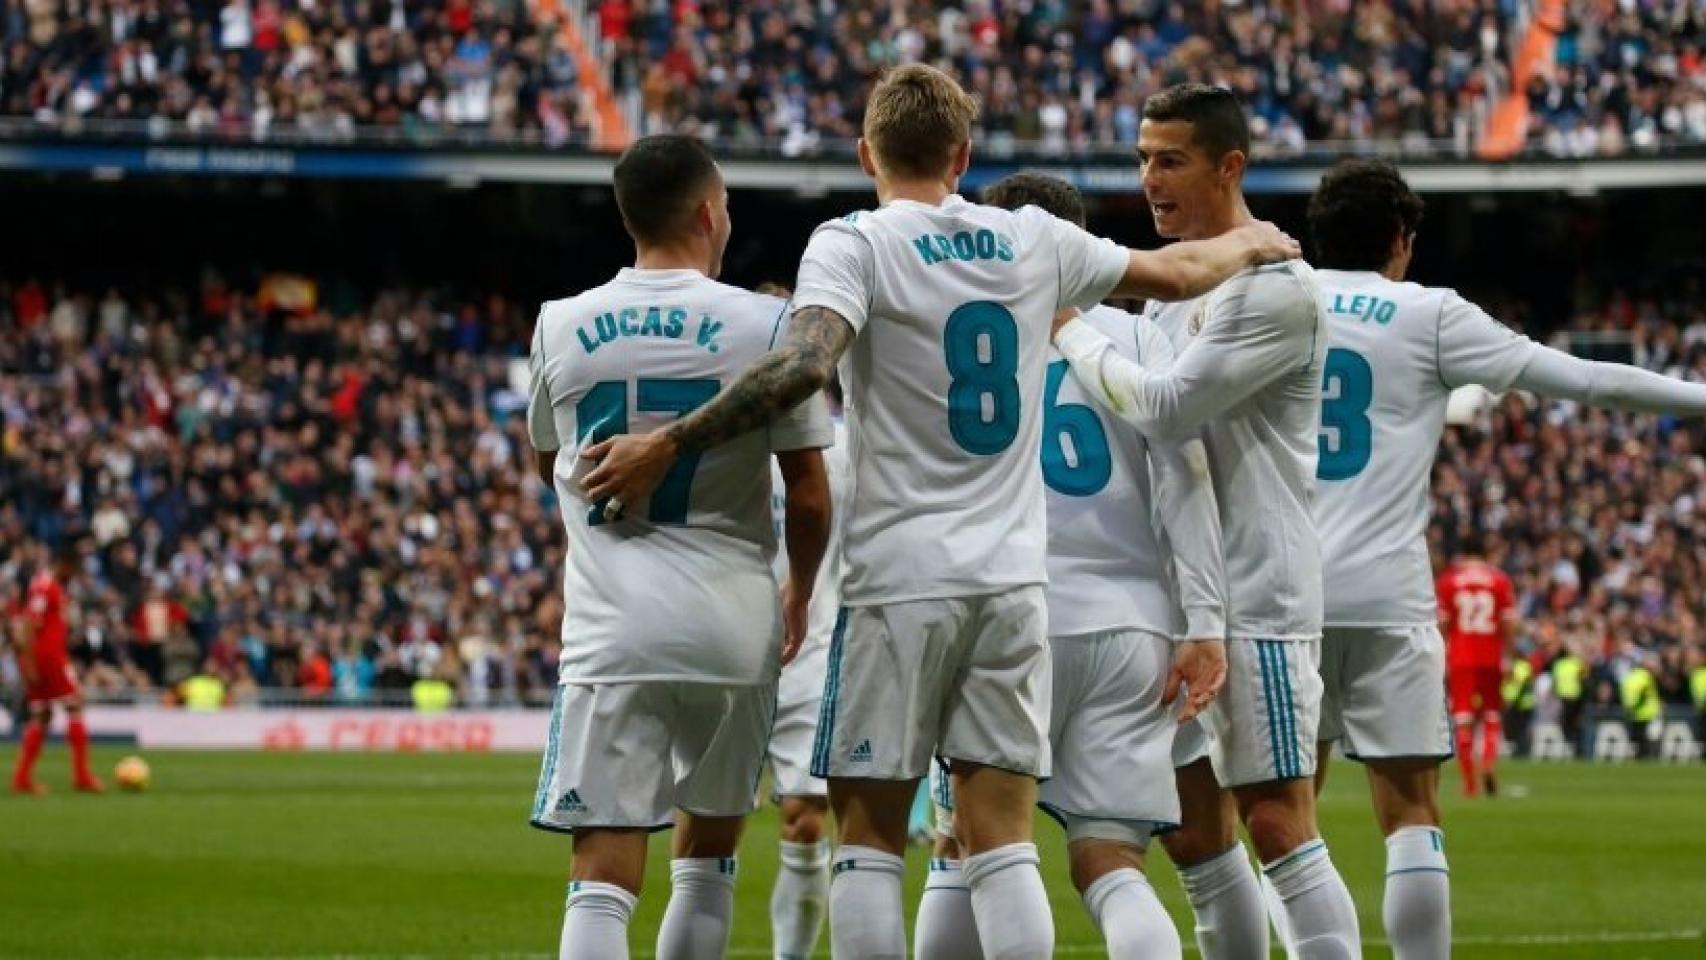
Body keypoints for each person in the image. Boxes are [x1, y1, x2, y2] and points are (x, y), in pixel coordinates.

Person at [580, 64, 1296, 960]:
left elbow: (805, 365)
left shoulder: (852, 241)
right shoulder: (1032, 237)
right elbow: (1180, 271)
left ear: (866, 153)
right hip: (1009, 588)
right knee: (1003, 844)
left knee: (873, 840)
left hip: (898, 583)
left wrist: (668, 443)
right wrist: (1257, 242)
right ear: (963, 154)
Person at [1305, 156, 1706, 959]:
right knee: (1411, 810)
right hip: (1388, 597)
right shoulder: (1431, 314)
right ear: (1403, 241)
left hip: (1282, 598)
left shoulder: (1272, 301)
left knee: (1286, 816)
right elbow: (1588, 380)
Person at [1049, 83, 1357, 959]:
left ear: (1230, 167)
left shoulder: (1275, 289)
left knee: (1276, 821)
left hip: (1258, 592)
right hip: (1186, 595)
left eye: (1171, 159)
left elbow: (1165, 410)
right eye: (1143, 158)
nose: (1150, 178)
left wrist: (1071, 328)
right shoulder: (1181, 282)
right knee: (1194, 834)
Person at [525, 133, 834, 960]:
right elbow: (807, 493)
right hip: (734, 627)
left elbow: (549, 454)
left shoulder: (561, 324)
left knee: (602, 869)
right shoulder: (769, 324)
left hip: (615, 627)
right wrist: (800, 589)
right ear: (707, 212)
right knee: (707, 862)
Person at [913, 172, 1229, 960]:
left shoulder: (964, 338)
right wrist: (1206, 623)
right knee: (1113, 864)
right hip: (1133, 628)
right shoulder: (1138, 339)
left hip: (1005, 620)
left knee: (970, 849)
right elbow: (1187, 483)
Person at [765, 377, 848, 960]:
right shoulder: (715, 443)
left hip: (811, 652)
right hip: (726, 648)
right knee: (703, 828)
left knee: (806, 820)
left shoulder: (843, 449)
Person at [11, 541, 104, 795]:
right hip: (48, 658)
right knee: (75, 704)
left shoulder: (51, 586)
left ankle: (21, 778)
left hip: (44, 656)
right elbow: (29, 625)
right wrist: (29, 663)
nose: (73, 575)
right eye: (73, 570)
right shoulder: (46, 586)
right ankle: (82, 776)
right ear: (65, 565)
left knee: (42, 714)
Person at [1435, 538, 1518, 796]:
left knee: (1464, 719)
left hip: (1461, 657)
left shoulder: (1449, 581)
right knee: (1492, 715)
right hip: (1492, 655)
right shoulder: (1499, 580)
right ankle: (1489, 763)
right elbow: (1509, 623)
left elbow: (1443, 624)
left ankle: (1470, 783)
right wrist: (1511, 656)